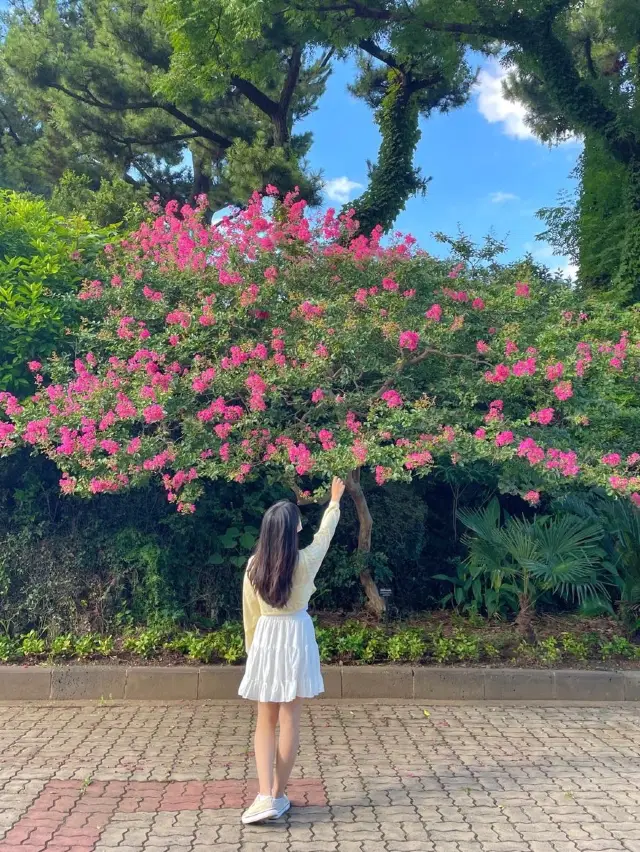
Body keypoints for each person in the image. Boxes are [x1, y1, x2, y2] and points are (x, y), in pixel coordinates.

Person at [238, 476, 346, 825]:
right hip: (296, 636)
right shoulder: (306, 561)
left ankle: (265, 793)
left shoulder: (254, 566)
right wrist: (334, 502)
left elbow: (249, 615)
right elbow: (324, 537)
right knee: (289, 721)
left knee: (264, 722)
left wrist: (252, 652)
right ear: (292, 529)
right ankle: (278, 795)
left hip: (266, 639)